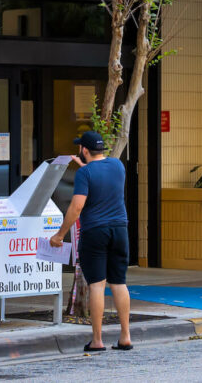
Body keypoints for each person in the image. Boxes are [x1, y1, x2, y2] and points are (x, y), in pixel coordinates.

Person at [49, 130, 132, 352]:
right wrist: (86, 167)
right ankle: (125, 337)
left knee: (97, 284)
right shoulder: (117, 166)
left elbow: (77, 207)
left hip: (95, 231)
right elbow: (102, 177)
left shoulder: (84, 175)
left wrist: (59, 235)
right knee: (119, 282)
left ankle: (97, 340)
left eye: (80, 148)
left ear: (84, 150)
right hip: (120, 230)